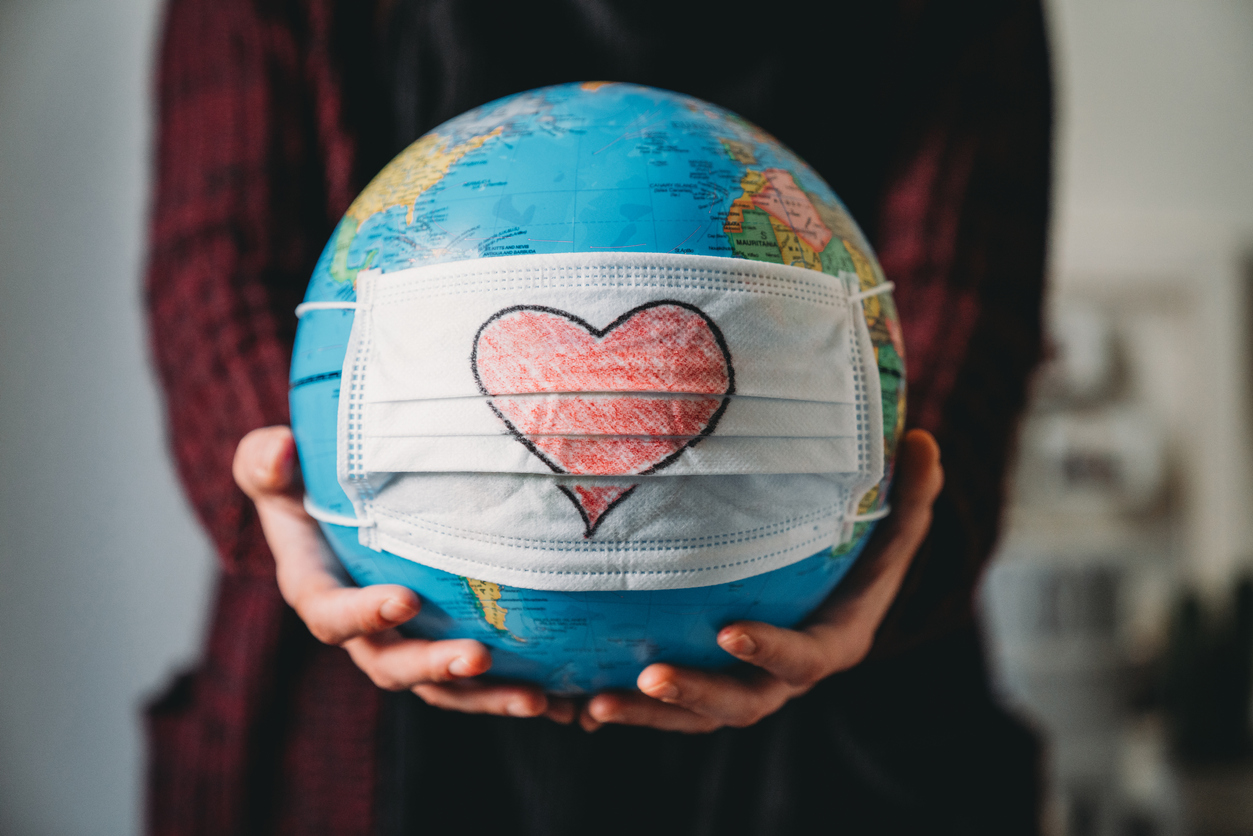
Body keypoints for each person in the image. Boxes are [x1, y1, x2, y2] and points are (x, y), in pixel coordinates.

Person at [145, 1, 1052, 833]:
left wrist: (903, 543)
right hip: (368, 686)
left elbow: (965, 291)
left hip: (835, 693)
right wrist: (290, 499)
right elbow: (214, 262)